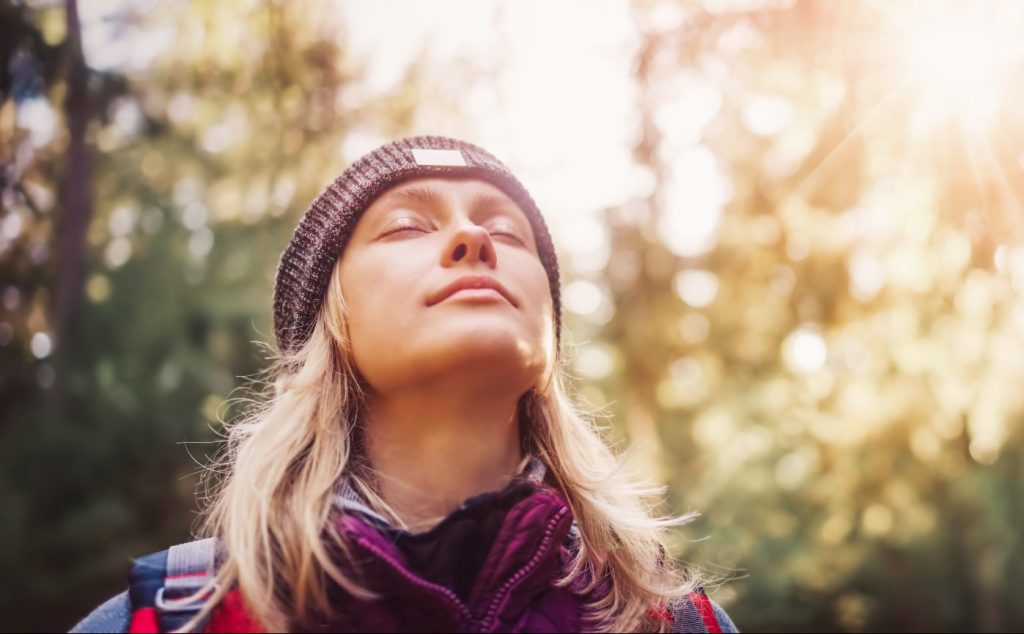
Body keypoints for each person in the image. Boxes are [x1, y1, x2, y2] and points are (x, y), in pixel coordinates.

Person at [71, 136, 738, 633]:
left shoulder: (673, 622)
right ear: (329, 326)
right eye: (407, 226)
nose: (475, 237)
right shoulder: (168, 618)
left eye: (509, 232)